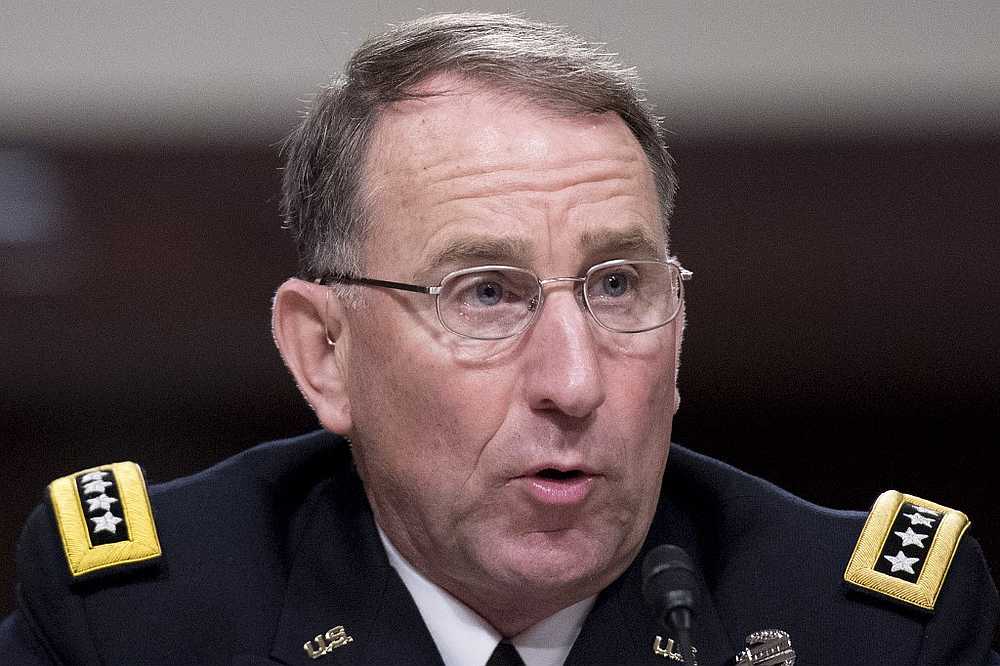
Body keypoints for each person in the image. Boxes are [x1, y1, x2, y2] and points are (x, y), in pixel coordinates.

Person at [1, 12, 997, 666]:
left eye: (616, 285)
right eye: (484, 294)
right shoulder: (142, 621)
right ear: (325, 353)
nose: (574, 382)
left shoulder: (865, 631)